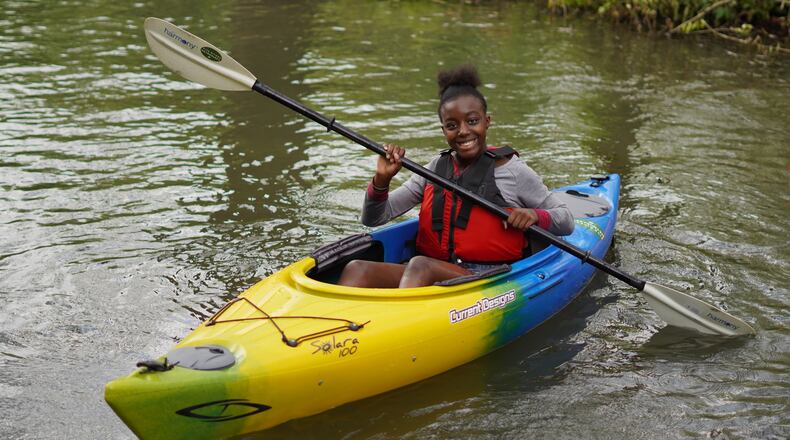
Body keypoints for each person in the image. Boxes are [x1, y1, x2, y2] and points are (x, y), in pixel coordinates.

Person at [338, 65, 574, 288]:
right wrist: (382, 180)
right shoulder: (433, 170)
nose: (463, 131)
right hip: (429, 270)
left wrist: (534, 215)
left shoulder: (514, 172)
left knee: (420, 266)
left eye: (472, 121)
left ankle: (395, 326)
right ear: (443, 130)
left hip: (485, 278)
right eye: (452, 125)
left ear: (487, 122)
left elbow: (566, 220)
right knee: (356, 269)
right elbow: (373, 219)